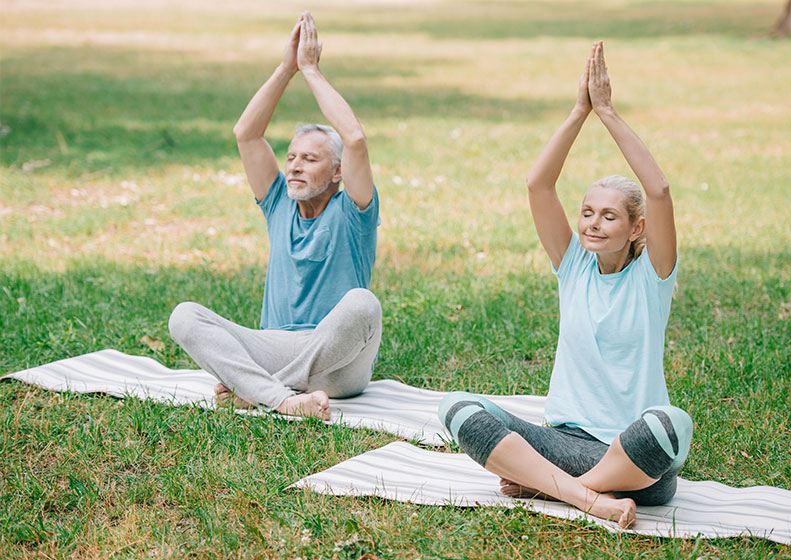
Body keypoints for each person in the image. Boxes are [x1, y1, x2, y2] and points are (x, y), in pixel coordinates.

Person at [437, 42, 692, 528]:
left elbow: (658, 191)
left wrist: (608, 112)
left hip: (631, 459)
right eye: (587, 212)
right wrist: (579, 111)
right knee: (458, 408)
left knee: (672, 424)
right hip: (561, 443)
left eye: (609, 216)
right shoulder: (573, 264)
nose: (593, 223)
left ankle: (554, 488)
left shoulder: (653, 277)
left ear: (636, 228)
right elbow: (538, 184)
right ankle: (588, 498)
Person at [169, 12, 381, 421]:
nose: (295, 166)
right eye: (291, 157)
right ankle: (285, 399)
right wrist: (286, 68)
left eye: (310, 159)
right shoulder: (278, 203)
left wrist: (310, 70)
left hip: (339, 364)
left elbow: (354, 138)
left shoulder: (353, 212)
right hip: (274, 345)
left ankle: (258, 390)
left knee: (363, 304)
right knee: (185, 317)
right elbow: (246, 134)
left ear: (337, 172)